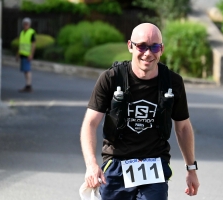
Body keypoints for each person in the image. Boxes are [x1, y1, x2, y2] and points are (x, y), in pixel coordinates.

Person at [80, 23, 199, 200]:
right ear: (130, 46)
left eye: (154, 47)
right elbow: (90, 124)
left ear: (162, 49)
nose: (148, 53)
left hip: (154, 166)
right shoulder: (111, 78)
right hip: (116, 164)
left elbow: (183, 128)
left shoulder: (172, 82)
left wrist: (191, 169)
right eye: (142, 46)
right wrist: (91, 165)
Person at [16, 17, 36, 93]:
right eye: (24, 24)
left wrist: (31, 54)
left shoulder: (31, 33)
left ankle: (29, 86)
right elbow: (21, 44)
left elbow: (33, 44)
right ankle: (27, 85)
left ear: (29, 25)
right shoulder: (22, 33)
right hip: (23, 54)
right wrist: (18, 54)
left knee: (27, 70)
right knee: (25, 70)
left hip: (27, 55)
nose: (25, 25)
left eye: (27, 24)